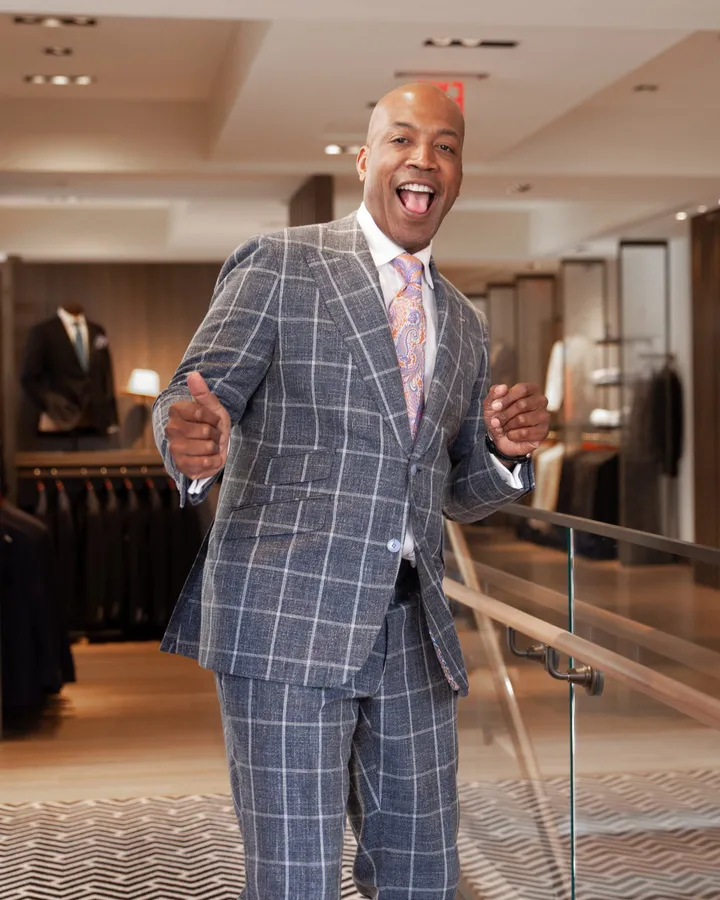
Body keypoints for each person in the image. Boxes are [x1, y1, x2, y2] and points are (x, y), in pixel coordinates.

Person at [153, 82, 550, 900]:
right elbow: (191, 399)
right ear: (366, 160)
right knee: (296, 879)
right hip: (287, 621)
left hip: (413, 632)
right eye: (403, 139)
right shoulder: (282, 265)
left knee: (423, 876)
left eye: (446, 147)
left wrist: (503, 453)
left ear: (458, 174)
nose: (425, 158)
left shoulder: (465, 322)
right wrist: (187, 441)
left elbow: (451, 491)